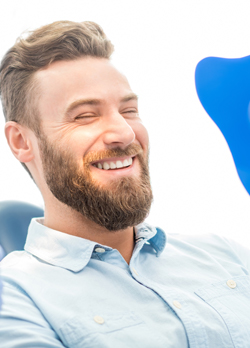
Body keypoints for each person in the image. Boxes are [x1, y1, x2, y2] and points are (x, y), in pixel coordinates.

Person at [0, 20, 250, 348]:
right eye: (85, 115)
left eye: (129, 110)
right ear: (21, 141)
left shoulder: (226, 255)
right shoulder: (14, 297)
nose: (125, 133)